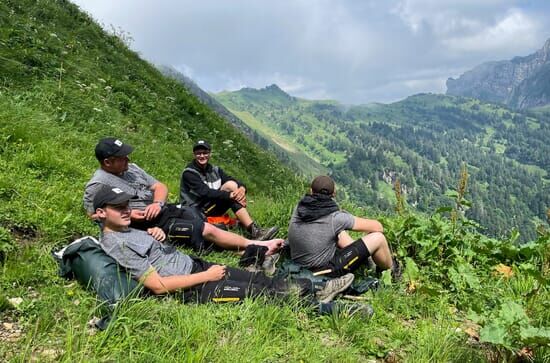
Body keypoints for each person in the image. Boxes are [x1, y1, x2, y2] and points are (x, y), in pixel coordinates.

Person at [93, 185, 355, 304]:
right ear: (100, 214)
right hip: (192, 287)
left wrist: (155, 235)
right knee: (263, 294)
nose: (125, 210)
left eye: (126, 205)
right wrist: (206, 276)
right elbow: (158, 286)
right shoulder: (117, 244)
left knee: (260, 281)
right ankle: (335, 306)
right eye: (117, 208)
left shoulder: (128, 230)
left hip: (196, 266)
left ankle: (322, 286)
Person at [83, 137, 281, 254]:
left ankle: (247, 239)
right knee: (202, 231)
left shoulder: (132, 168)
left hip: (164, 210)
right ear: (108, 162)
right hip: (148, 224)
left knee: (198, 220)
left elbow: (160, 186)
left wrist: (158, 203)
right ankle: (256, 247)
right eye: (122, 157)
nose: (128, 159)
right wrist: (131, 214)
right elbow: (94, 214)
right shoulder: (98, 184)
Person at [287, 175, 398, 278]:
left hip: (298, 264)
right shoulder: (336, 218)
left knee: (338, 231)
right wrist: (347, 217)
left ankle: (365, 259)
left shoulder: (300, 207)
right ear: (334, 194)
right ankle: (392, 271)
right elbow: (378, 227)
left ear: (311, 191)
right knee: (378, 238)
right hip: (323, 272)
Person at [180, 140, 278, 241]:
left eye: (205, 153)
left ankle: (252, 228)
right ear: (194, 154)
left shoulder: (215, 170)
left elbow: (232, 180)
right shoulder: (189, 173)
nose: (202, 156)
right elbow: (205, 192)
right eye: (198, 153)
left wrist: (242, 188)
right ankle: (253, 230)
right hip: (197, 211)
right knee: (231, 194)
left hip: (210, 206)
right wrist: (230, 195)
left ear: (210, 153)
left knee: (231, 185)